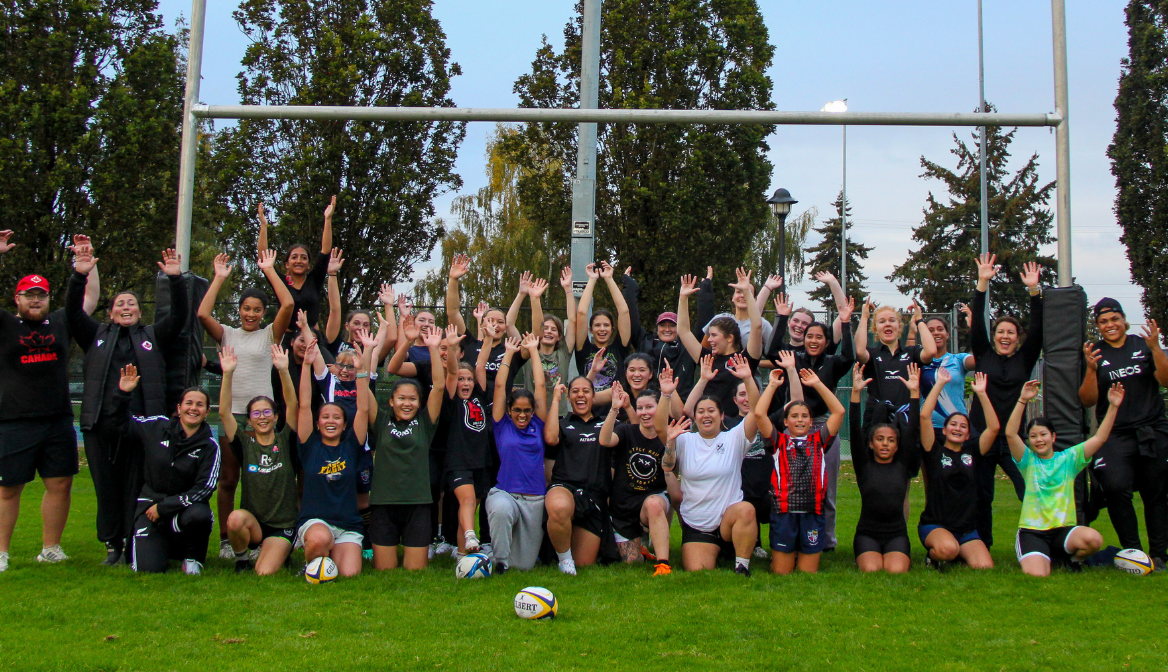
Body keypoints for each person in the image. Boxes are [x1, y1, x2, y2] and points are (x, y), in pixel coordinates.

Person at [66, 242, 188, 566]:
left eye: (131, 303)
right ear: (110, 312)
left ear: (139, 311)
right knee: (106, 487)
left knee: (135, 485)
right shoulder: (96, 335)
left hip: (142, 428)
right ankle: (112, 544)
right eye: (120, 303)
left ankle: (135, 540)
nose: (125, 307)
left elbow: (179, 316)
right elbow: (72, 313)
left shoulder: (152, 336)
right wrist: (80, 275)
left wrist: (175, 279)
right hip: (100, 425)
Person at [198, 250, 294, 558]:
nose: (250, 314)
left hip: (260, 420)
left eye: (256, 309)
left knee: (263, 477)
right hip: (231, 415)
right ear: (238, 310)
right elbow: (202, 315)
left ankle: (264, 535)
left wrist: (269, 271)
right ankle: (228, 540)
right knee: (229, 478)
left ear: (264, 313)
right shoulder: (226, 333)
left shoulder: (269, 335)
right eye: (245, 308)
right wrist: (219, 278)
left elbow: (289, 304)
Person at [0, 230, 79, 572]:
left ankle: (51, 548)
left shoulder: (60, 322)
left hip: (57, 418)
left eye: (41, 295)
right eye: (29, 295)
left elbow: (86, 301)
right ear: (17, 299)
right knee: (8, 489)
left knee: (60, 483)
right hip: (15, 419)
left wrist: (84, 268)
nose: (35, 300)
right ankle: (1, 552)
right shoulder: (5, 325)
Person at [1080, 299, 1168, 568]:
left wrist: (1155, 349)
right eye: (1103, 322)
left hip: (1152, 429)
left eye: (1114, 319)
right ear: (1097, 326)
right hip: (1115, 434)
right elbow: (1087, 400)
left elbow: (1165, 381)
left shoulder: (1143, 345)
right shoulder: (1094, 352)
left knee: (1156, 493)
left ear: (1124, 320)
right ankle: (1134, 553)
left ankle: (1160, 555)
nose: (1110, 325)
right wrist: (1092, 370)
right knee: (1117, 488)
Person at [655, 354, 760, 576]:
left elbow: (757, 412)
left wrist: (748, 379)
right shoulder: (684, 440)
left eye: (711, 411)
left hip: (728, 520)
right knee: (698, 570)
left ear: (722, 416)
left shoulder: (734, 437)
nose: (706, 415)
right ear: (695, 417)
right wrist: (666, 394)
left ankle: (742, 565)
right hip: (698, 522)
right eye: (701, 412)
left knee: (746, 510)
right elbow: (660, 430)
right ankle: (718, 551)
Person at [1008, 380, 1122, 576]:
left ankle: (1071, 561)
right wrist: (1022, 399)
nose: (1038, 440)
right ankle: (1043, 556)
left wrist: (1113, 406)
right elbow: (1010, 434)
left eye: (1043, 434)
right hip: (1033, 532)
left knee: (1093, 539)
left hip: (1063, 531)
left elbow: (1099, 438)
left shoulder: (1069, 459)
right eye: (1033, 436)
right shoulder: (1027, 461)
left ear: (1053, 437)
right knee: (1037, 576)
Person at [115, 366, 220, 574]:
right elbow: (122, 426)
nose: (193, 408)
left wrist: (164, 507)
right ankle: (160, 548)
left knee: (200, 514)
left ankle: (192, 558)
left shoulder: (210, 446)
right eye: (188, 403)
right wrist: (123, 394)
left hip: (182, 511)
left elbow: (205, 488)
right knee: (149, 570)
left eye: (200, 405)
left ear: (207, 412)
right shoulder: (156, 426)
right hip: (149, 508)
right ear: (179, 407)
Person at [970, 254, 1044, 548]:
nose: (1004, 336)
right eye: (1000, 331)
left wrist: (1034, 291)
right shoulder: (983, 354)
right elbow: (977, 323)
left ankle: (1039, 540)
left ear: (1017, 338)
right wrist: (982, 283)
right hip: (983, 434)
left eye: (1010, 333)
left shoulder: (1024, 359)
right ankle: (981, 545)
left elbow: (1037, 330)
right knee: (981, 493)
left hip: (1014, 437)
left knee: (1028, 490)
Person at [294, 331, 373, 578]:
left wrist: (361, 372)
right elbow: (305, 404)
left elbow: (362, 409)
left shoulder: (351, 445)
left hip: (348, 525)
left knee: (349, 573)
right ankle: (311, 558)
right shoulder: (310, 445)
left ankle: (329, 556)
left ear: (344, 424)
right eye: (325, 417)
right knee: (318, 540)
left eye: (336, 417)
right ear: (317, 424)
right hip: (316, 522)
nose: (330, 421)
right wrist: (307, 365)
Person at [366, 325, 446, 570]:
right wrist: (371, 352)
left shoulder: (425, 423)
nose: (407, 403)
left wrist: (433, 348)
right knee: (386, 571)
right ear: (391, 401)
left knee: (415, 571)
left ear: (419, 402)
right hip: (383, 505)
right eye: (401, 398)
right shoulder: (381, 421)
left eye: (412, 399)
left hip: (418, 505)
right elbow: (364, 385)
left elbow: (439, 386)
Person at [754, 368, 845, 574]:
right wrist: (772, 386)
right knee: (782, 572)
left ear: (811, 422)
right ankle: (782, 556)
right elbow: (759, 413)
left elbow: (839, 411)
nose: (800, 419)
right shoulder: (778, 442)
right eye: (794, 416)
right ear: (786, 422)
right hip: (784, 512)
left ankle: (801, 552)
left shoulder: (819, 441)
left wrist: (817, 384)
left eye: (805, 416)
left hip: (812, 512)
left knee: (807, 573)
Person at [219, 345, 300, 575]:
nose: (262, 417)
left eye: (267, 413)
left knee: (264, 572)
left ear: (275, 417)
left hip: (282, 526)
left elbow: (293, 405)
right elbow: (224, 413)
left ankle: (281, 552)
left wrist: (284, 370)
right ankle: (242, 560)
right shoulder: (245, 445)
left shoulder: (286, 440)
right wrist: (228, 374)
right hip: (254, 524)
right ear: (250, 420)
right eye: (256, 413)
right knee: (235, 519)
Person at [786, 298, 855, 551]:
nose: (813, 341)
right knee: (794, 487)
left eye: (819, 337)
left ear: (827, 342)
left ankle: (827, 540)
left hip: (826, 427)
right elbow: (771, 352)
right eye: (809, 336)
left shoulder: (833, 363)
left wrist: (845, 322)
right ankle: (795, 536)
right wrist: (782, 317)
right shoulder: (794, 359)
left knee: (828, 488)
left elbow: (849, 355)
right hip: (796, 429)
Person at [918, 369, 998, 570]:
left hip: (966, 529)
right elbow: (925, 417)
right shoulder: (933, 450)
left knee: (984, 566)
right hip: (936, 525)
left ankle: (958, 551)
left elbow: (994, 428)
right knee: (947, 550)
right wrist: (939, 385)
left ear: (968, 434)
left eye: (963, 426)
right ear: (944, 430)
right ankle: (934, 556)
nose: (957, 428)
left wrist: (981, 393)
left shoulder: (973, 452)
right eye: (953, 424)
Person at [487, 333, 550, 573]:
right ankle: (499, 561)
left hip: (535, 500)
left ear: (532, 411)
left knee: (524, 566)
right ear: (510, 411)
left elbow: (541, 384)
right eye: (517, 410)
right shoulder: (502, 425)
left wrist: (534, 350)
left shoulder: (538, 425)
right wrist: (509, 354)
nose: (522, 415)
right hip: (506, 494)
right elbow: (501, 385)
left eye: (526, 410)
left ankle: (507, 557)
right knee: (501, 510)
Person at [849, 362, 920, 573]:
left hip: (896, 534)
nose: (885, 444)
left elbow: (914, 427)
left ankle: (897, 553)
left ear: (897, 445)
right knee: (872, 570)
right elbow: (854, 430)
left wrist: (914, 393)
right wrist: (855, 393)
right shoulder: (863, 465)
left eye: (890, 440)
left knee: (895, 571)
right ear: (871, 443)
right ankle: (864, 554)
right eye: (880, 439)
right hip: (867, 534)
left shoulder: (902, 463)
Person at [599, 382, 673, 575]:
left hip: (650, 502)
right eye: (640, 408)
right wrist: (615, 408)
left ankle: (663, 564)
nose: (644, 412)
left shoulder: (667, 436)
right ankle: (640, 548)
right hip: (623, 507)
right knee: (632, 563)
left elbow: (672, 466)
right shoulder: (626, 431)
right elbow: (605, 440)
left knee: (654, 504)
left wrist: (671, 443)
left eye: (649, 407)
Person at [544, 375, 611, 575]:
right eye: (575, 391)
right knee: (559, 506)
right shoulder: (562, 423)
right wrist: (556, 399)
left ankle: (570, 549)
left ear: (593, 396)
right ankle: (564, 561)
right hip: (565, 487)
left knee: (584, 563)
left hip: (594, 496)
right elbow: (550, 438)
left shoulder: (606, 424)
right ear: (569, 397)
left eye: (585, 391)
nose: (580, 395)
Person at [676, 269, 764, 417]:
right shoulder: (708, 360)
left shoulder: (745, 360)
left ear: (729, 338)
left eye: (714, 335)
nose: (709, 340)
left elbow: (757, 326)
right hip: (710, 425)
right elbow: (683, 331)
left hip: (737, 428)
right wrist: (683, 298)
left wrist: (747, 292)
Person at [442, 326, 494, 555]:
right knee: (468, 500)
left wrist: (490, 338)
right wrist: (453, 347)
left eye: (469, 380)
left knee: (475, 501)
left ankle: (463, 556)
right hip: (458, 460)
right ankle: (471, 535)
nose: (465, 383)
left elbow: (481, 364)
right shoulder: (452, 399)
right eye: (462, 379)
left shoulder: (479, 397)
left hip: (481, 460)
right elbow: (452, 373)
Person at [257, 196, 335, 327]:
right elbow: (263, 258)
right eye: (294, 257)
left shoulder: (314, 280)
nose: (299, 261)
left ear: (309, 264)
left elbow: (325, 251)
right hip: (286, 339)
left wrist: (328, 219)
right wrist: (264, 225)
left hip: (311, 339)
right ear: (287, 263)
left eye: (303, 258)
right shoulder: (280, 282)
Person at [621, 268, 698, 399]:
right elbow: (631, 316)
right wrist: (629, 286)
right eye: (663, 325)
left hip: (676, 409)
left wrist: (705, 289)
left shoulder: (686, 349)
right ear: (657, 328)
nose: (667, 329)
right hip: (646, 405)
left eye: (672, 326)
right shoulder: (645, 341)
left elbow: (702, 323)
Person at [573, 261, 633, 415]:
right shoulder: (583, 349)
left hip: (617, 415)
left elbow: (624, 312)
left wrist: (609, 279)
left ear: (612, 329)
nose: (602, 329)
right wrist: (592, 279)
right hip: (588, 415)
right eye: (597, 326)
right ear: (590, 330)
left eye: (606, 325)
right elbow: (581, 313)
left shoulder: (619, 348)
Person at [518, 268, 574, 416]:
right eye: (546, 328)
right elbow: (535, 328)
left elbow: (573, 321)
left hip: (559, 415)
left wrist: (568, 290)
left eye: (553, 329)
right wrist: (533, 299)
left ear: (559, 336)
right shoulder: (530, 353)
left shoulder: (563, 353)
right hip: (533, 416)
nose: (548, 331)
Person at [919, 316, 975, 430]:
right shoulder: (920, 362)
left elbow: (980, 360)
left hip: (957, 428)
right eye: (930, 330)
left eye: (940, 329)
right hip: (928, 428)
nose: (936, 333)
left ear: (947, 335)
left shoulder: (958, 360)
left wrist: (975, 328)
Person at [697, 266, 773, 349]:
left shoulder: (763, 324)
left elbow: (775, 354)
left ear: (754, 300)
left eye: (748, 292)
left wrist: (756, 362)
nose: (743, 295)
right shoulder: (719, 319)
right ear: (733, 297)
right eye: (739, 292)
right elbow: (704, 350)